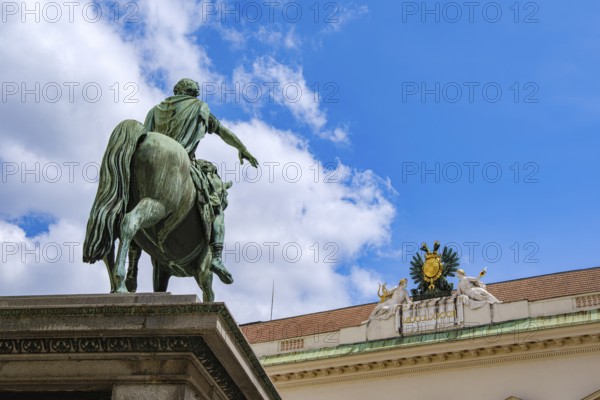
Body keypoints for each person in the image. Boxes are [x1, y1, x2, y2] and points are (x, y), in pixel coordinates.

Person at [143, 78, 258, 284]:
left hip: (149, 165)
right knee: (217, 207)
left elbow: (143, 139)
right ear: (193, 94)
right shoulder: (199, 108)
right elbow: (224, 133)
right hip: (185, 162)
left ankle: (131, 262)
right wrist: (243, 149)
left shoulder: (154, 110)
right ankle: (216, 256)